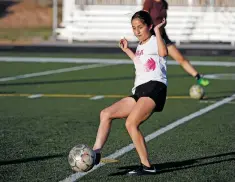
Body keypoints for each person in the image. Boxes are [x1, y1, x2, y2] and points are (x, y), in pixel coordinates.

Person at [92, 10, 168, 175]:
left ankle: (147, 166)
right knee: (106, 113)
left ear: (149, 26)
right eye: (134, 28)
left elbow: (163, 53)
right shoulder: (141, 45)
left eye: (140, 27)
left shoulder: (155, 40)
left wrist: (157, 31)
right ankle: (95, 153)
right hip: (140, 90)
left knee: (131, 123)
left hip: (155, 87)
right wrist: (127, 50)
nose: (137, 31)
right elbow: (139, 63)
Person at [143, 0, 210, 86]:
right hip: (151, 37)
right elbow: (143, 19)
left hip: (163, 36)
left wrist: (163, 25)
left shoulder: (164, 3)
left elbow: (163, 20)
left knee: (180, 58)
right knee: (153, 64)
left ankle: (198, 77)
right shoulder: (149, 2)